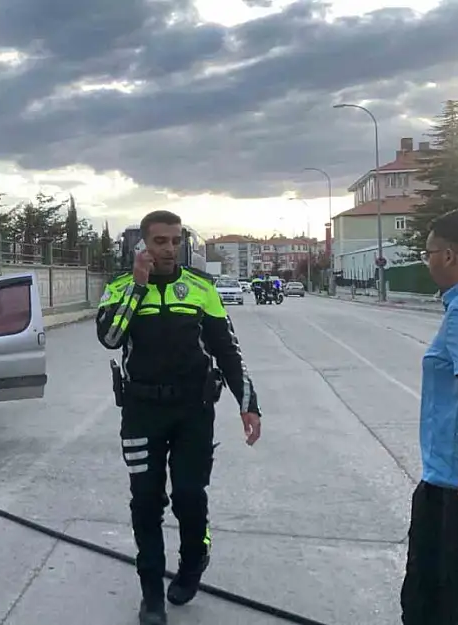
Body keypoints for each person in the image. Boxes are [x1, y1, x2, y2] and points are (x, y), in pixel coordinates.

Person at [96, 210, 262, 625]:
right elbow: (111, 337)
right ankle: (151, 593)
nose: (169, 249)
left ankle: (193, 561)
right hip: (140, 412)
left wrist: (248, 402)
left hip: (193, 411)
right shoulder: (119, 288)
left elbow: (228, 351)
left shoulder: (201, 288)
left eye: (175, 241)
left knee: (189, 495)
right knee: (146, 502)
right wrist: (137, 286)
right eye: (160, 241)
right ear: (143, 245)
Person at [400, 209, 458, 624]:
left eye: (429, 252)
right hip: (446, 478)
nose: (427, 261)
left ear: (451, 256)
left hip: (452, 485)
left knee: (435, 604)